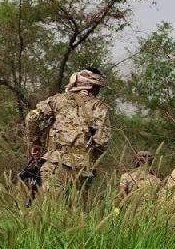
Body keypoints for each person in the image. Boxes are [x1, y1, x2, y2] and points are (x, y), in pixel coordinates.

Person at [25, 68, 111, 202]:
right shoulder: (99, 107)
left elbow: (32, 118)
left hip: (55, 163)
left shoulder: (56, 100)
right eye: (98, 88)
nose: (98, 91)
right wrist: (90, 158)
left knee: (50, 209)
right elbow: (102, 141)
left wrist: (35, 143)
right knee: (75, 212)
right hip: (82, 169)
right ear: (92, 86)